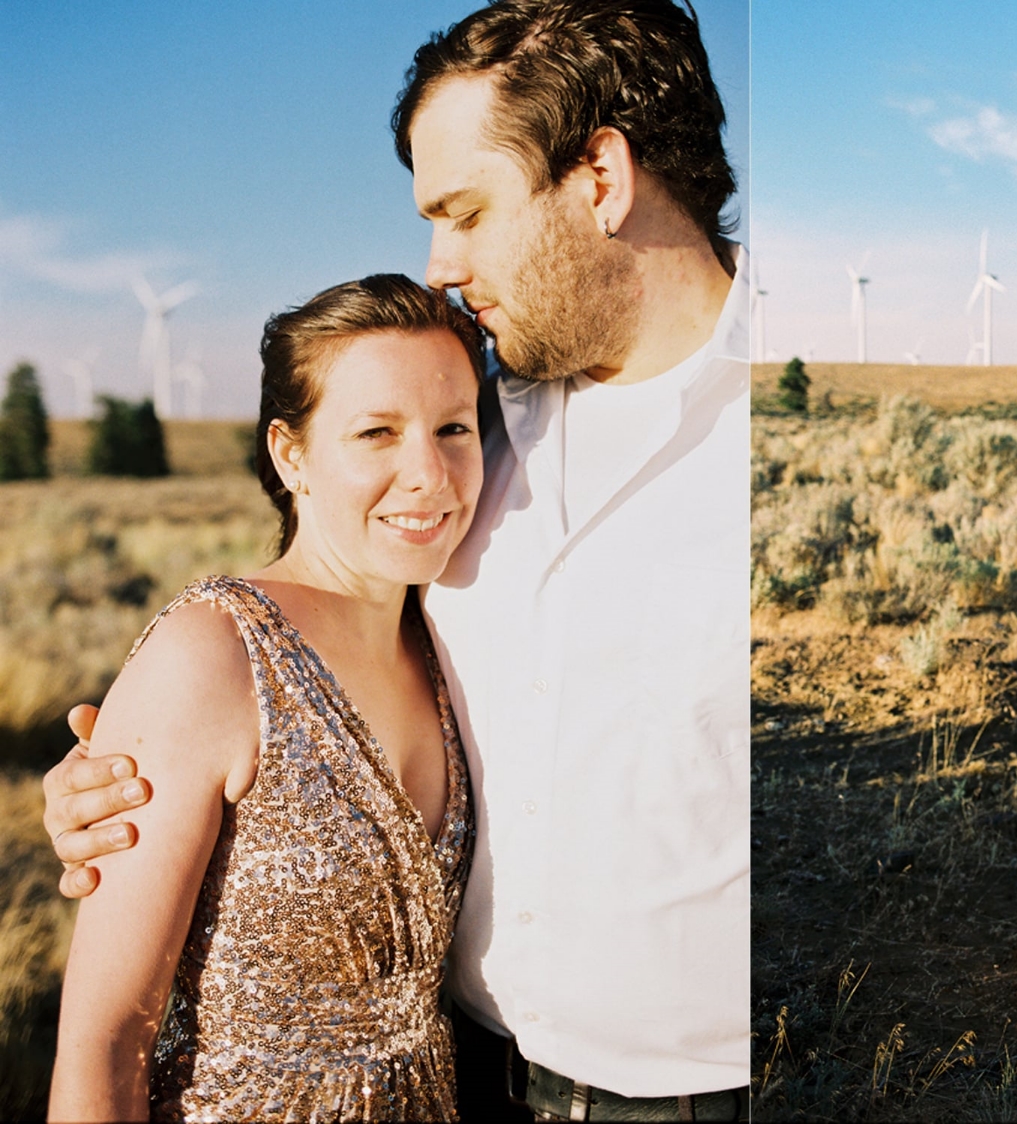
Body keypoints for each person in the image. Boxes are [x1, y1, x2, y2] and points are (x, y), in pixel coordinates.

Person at [43, 2, 750, 1119]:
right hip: (474, 1071)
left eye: (465, 211)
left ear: (600, 177)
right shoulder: (478, 392)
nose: (440, 259)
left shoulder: (771, 423)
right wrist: (125, 785)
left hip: (690, 1091)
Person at [48, 274, 486, 1120]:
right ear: (292, 455)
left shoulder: (447, 642)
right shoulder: (212, 653)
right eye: (376, 433)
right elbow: (102, 1046)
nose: (428, 473)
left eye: (453, 428)